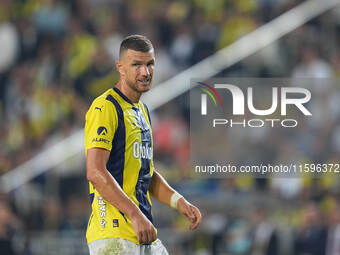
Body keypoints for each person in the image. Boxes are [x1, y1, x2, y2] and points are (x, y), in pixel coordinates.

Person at [84, 34, 202, 254]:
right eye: (136, 65)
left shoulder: (143, 112)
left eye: (150, 64)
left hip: (142, 231)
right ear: (120, 67)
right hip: (113, 232)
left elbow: (144, 173)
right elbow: (95, 171)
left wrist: (178, 201)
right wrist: (135, 214)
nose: (145, 72)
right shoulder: (105, 107)